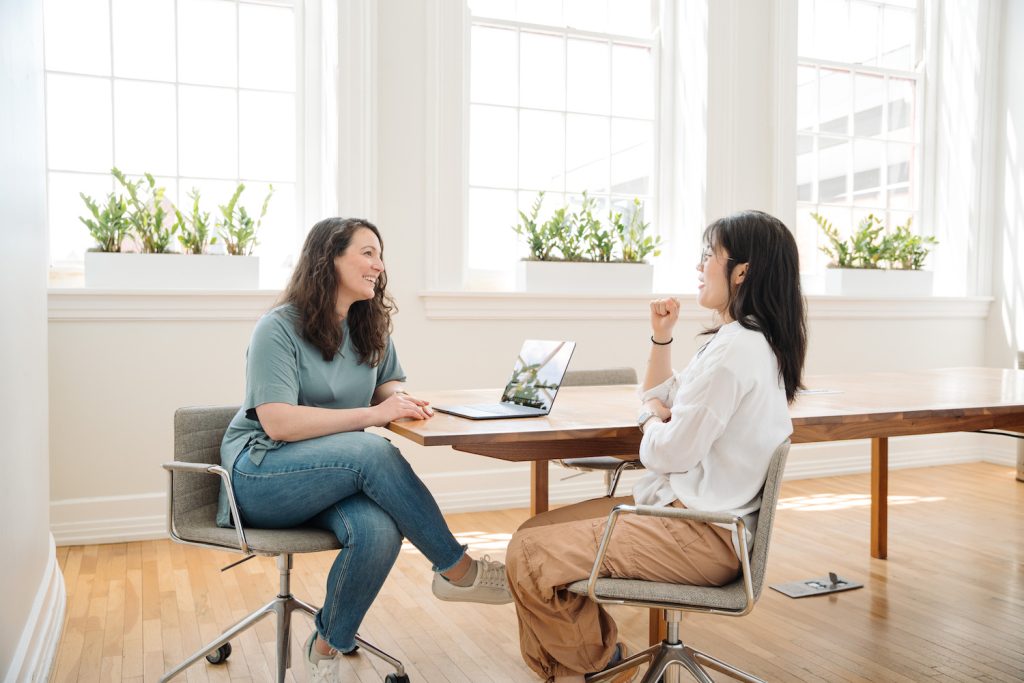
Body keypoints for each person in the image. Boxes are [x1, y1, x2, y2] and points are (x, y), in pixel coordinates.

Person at [497, 210, 807, 683]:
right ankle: (579, 673)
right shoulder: (743, 342)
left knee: (530, 556)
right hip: (691, 518)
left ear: (741, 272)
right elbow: (661, 396)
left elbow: (667, 451)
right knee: (529, 537)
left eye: (709, 256)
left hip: (700, 532)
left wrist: (649, 421)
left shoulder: (734, 352)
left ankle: (605, 668)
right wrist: (661, 338)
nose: (699, 267)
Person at [217, 217, 512, 682]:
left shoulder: (366, 324)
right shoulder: (276, 329)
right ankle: (457, 568)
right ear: (328, 259)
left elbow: (384, 385)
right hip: (260, 473)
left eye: (380, 254)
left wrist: (401, 400)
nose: (379, 265)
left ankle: (328, 643)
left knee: (377, 530)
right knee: (371, 451)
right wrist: (372, 417)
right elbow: (278, 422)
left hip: (327, 476)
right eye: (367, 253)